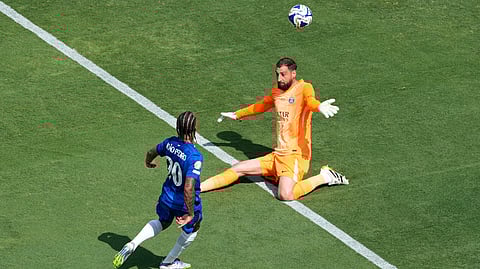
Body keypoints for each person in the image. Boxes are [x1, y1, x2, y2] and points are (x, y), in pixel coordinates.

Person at [201, 57, 349, 200]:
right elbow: (261, 106)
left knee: (285, 195)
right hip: (277, 155)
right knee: (238, 168)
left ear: (293, 74)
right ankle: (197, 189)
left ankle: (325, 176)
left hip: (295, 156)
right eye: (277, 74)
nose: (279, 78)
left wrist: (319, 106)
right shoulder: (276, 92)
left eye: (283, 74)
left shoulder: (304, 88)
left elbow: (311, 101)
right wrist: (237, 114)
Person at [113, 111, 203, 269]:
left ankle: (133, 244)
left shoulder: (169, 143)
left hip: (167, 195)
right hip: (182, 202)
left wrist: (149, 162)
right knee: (193, 229)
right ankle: (168, 263)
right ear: (194, 129)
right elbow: (188, 187)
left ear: (177, 128)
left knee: (163, 221)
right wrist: (190, 213)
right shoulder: (194, 157)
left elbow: (151, 152)